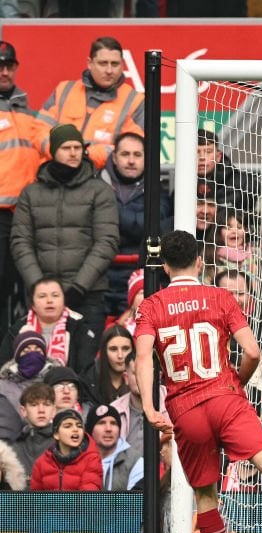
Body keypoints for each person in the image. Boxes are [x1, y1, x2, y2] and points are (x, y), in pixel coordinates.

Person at [134, 230, 262, 533]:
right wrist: (237, 384)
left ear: (164, 266)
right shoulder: (220, 296)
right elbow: (255, 352)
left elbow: (142, 358)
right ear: (200, 261)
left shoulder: (151, 306)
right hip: (224, 394)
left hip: (185, 408)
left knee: (205, 496)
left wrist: (151, 409)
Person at [11, 124, 119, 340]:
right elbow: (20, 242)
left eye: (78, 147)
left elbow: (107, 242)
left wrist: (79, 286)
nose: (73, 152)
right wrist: (40, 287)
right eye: (66, 147)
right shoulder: (31, 193)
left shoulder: (100, 191)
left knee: (85, 364)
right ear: (53, 152)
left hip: (86, 294)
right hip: (41, 297)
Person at [35, 37, 144, 170]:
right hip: (55, 175)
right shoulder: (64, 90)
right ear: (90, 63)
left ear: (122, 65)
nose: (109, 70)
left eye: (115, 64)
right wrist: (59, 153)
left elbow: (133, 148)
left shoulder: (134, 101)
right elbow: (39, 130)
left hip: (101, 180)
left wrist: (84, 155)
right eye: (103, 63)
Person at [102, 132, 172, 316]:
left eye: (137, 155)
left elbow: (152, 226)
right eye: (125, 154)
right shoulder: (95, 187)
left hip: (142, 277)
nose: (131, 160)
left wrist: (110, 211)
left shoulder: (159, 190)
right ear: (114, 157)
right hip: (101, 278)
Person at [0, 40, 39, 340]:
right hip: (0, 218)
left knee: (27, 291)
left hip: (26, 218)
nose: (4, 71)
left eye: (9, 65)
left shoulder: (28, 111)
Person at [0, 277, 96, 375]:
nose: (49, 300)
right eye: (42, 296)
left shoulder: (79, 327)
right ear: (32, 304)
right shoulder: (18, 329)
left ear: (64, 301)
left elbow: (85, 370)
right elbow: (4, 367)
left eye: (55, 295)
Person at [29, 408, 102, 491]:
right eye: (68, 426)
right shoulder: (41, 463)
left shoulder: (91, 459)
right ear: (56, 434)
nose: (75, 429)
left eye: (79, 426)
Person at [86, 404, 143, 491]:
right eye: (101, 423)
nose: (108, 429)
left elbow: (136, 501)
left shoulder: (135, 461)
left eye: (113, 423)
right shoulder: (79, 459)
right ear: (91, 431)